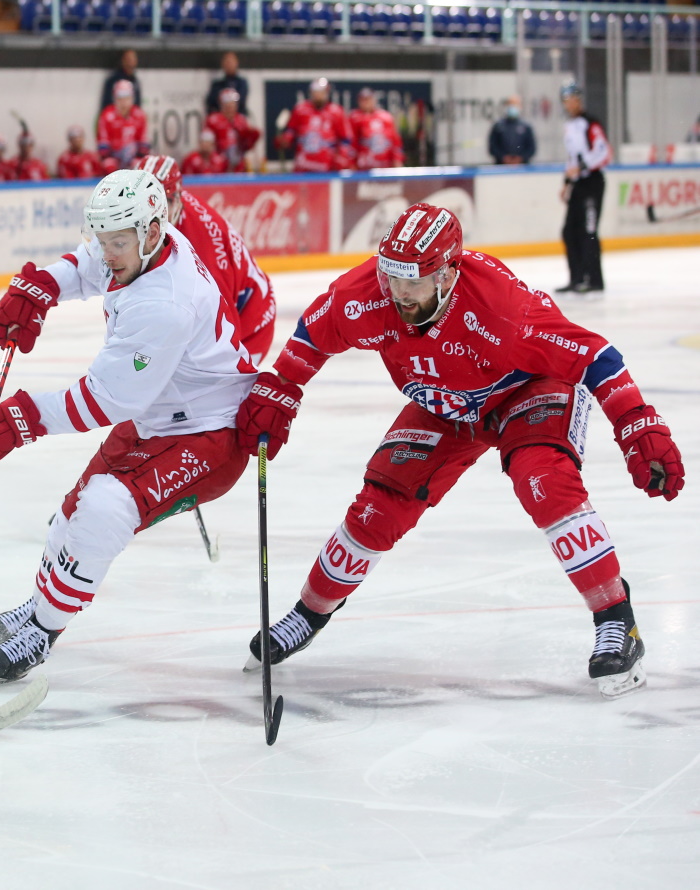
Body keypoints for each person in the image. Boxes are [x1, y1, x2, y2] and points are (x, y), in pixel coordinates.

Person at [237, 202, 683, 699]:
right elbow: (311, 336)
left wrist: (638, 426)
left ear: (448, 273)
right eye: (391, 276)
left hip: (527, 390)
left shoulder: (506, 313)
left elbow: (598, 357)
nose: (398, 293)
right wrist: (281, 387)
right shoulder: (368, 297)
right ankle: (307, 614)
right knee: (377, 508)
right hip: (444, 402)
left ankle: (616, 618)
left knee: (544, 483)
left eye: (413, 280)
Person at [0, 169, 257, 686]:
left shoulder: (165, 303)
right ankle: (38, 605)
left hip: (211, 435)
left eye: (117, 241)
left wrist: (19, 419)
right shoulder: (143, 242)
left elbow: (107, 398)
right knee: (72, 512)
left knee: (105, 508)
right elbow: (91, 265)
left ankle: (43, 631)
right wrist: (42, 285)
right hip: (160, 417)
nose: (106, 251)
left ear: (153, 231)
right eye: (102, 238)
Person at [138, 155, 276, 366]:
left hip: (251, 324)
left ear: (178, 198)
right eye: (146, 203)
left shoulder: (204, 246)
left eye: (163, 203)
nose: (154, 215)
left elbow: (224, 330)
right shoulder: (173, 218)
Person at [558, 83, 610, 295]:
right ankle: (577, 278)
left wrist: (581, 167)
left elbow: (603, 152)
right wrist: (567, 184)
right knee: (570, 231)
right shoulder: (570, 126)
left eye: (572, 99)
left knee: (589, 232)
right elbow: (572, 159)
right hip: (579, 185)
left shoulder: (591, 124)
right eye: (566, 100)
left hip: (592, 183)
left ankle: (594, 280)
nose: (570, 104)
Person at [276, 77, 353, 173]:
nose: (318, 95)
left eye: (321, 92)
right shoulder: (300, 109)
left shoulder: (336, 111)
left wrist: (342, 157)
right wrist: (286, 139)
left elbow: (346, 139)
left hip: (327, 166)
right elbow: (291, 131)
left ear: (326, 93)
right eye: (315, 92)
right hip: (303, 164)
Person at [97, 81, 149, 174]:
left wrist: (136, 157)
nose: (123, 102)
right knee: (108, 165)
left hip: (133, 156)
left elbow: (143, 142)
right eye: (120, 98)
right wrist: (112, 156)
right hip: (113, 156)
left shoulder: (139, 115)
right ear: (115, 98)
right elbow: (103, 144)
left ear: (132, 98)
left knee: (141, 166)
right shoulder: (107, 115)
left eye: (127, 98)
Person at [204, 89, 261, 173]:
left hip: (239, 163)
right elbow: (206, 144)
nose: (231, 106)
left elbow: (247, 145)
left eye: (233, 104)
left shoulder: (241, 119)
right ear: (222, 105)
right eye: (228, 104)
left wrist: (252, 135)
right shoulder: (213, 120)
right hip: (219, 163)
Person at [349, 88, 405, 170]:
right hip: (364, 167)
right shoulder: (354, 118)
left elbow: (395, 142)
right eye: (363, 100)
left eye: (368, 99)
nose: (366, 102)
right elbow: (351, 144)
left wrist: (397, 160)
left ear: (374, 100)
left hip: (385, 165)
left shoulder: (386, 117)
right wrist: (352, 163)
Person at [487, 95, 536, 166]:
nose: (513, 107)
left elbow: (531, 148)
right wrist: (503, 158)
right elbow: (493, 147)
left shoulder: (526, 126)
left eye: (515, 104)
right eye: (510, 104)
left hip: (522, 167)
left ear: (520, 106)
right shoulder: (498, 126)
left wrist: (521, 158)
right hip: (501, 166)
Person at [205, 51, 248, 116]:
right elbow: (211, 102)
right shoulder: (217, 84)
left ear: (236, 63)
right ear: (223, 64)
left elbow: (240, 100)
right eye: (227, 62)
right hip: (220, 119)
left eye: (231, 62)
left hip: (237, 118)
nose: (229, 64)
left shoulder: (241, 83)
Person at [100, 49, 142, 115]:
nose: (131, 63)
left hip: (130, 121)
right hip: (115, 120)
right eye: (129, 60)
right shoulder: (113, 80)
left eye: (133, 59)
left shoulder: (135, 81)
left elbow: (137, 104)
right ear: (123, 61)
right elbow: (106, 105)